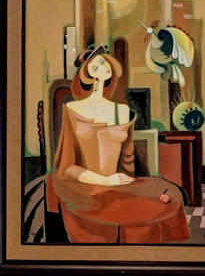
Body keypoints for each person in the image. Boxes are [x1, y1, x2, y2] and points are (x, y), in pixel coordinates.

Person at [50, 48, 191, 243]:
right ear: (87, 73)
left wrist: (128, 185)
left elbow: (127, 159)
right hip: (84, 186)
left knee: (169, 196)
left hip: (117, 182)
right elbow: (67, 168)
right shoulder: (72, 110)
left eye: (105, 61)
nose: (104, 65)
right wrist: (105, 181)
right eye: (96, 64)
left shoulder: (123, 111)